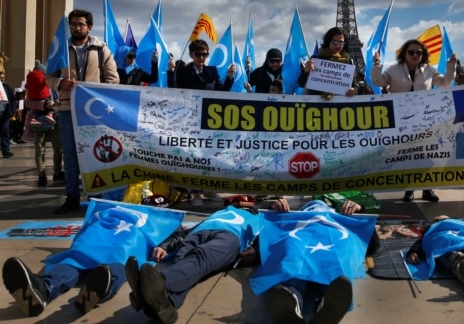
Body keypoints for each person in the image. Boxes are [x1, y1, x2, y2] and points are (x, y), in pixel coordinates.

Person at [2, 199, 183, 317]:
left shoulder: (168, 221)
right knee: (77, 259)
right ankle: (43, 289)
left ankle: (98, 289)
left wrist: (163, 246)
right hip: (102, 233)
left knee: (115, 264)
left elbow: (178, 234)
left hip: (128, 243)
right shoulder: (122, 203)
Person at [124, 196, 289, 324]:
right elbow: (182, 233)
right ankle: (165, 306)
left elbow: (274, 234)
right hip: (196, 235)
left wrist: (258, 252)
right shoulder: (217, 214)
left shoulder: (259, 216)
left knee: (202, 257)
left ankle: (153, 288)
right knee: (184, 264)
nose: (239, 203)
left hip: (230, 237)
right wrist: (164, 246)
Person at [252, 199, 379, 324]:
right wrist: (272, 207)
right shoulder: (291, 218)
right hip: (299, 241)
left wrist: (360, 212)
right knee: (291, 249)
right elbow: (264, 240)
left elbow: (372, 247)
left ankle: (326, 301)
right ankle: (291, 299)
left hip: (333, 245)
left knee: (338, 255)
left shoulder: (343, 219)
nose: (317, 207)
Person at [45, 9, 119, 214]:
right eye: (73, 24)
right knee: (69, 155)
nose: (77, 28)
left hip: (94, 113)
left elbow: (113, 79)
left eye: (81, 24)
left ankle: (96, 196)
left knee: (95, 153)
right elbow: (47, 77)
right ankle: (72, 197)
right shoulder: (61, 49)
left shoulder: (100, 49)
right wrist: (60, 83)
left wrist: (95, 94)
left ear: (89, 27)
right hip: (68, 108)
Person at [370, 39, 457, 203]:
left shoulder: (429, 70)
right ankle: (409, 189)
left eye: (419, 52)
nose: (415, 55)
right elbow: (377, 82)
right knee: (407, 155)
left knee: (427, 154)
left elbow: (445, 83)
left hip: (425, 119)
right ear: (404, 53)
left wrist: (451, 65)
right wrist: (377, 65)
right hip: (402, 120)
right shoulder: (393, 70)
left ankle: (427, 188)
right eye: (411, 52)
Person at [166, 39, 235, 207]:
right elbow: (174, 90)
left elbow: (222, 91)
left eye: (205, 54)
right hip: (190, 120)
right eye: (198, 54)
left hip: (209, 120)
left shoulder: (212, 71)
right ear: (191, 55)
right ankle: (196, 193)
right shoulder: (182, 71)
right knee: (193, 155)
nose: (202, 57)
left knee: (209, 155)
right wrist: (171, 72)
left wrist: (230, 78)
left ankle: (209, 188)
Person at [25, 65, 64, 187]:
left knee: (58, 148)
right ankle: (41, 174)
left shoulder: (57, 86)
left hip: (55, 120)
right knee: (40, 149)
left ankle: (57, 172)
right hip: (40, 121)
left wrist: (56, 103)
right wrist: (44, 104)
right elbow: (28, 102)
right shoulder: (37, 86)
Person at [298, 27, 357, 99]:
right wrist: (306, 71)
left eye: (341, 42)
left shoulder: (348, 62)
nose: (338, 45)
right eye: (335, 42)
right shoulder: (316, 59)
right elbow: (301, 83)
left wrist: (354, 90)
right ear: (328, 41)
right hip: (317, 104)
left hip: (340, 105)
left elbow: (354, 85)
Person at [25, 60, 56, 127]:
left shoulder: (56, 84)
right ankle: (48, 115)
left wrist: (54, 103)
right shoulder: (44, 82)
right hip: (40, 124)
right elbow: (27, 103)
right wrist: (44, 104)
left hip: (55, 122)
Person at [0, 70, 17, 158]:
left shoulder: (7, 87)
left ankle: (5, 151)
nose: (2, 80)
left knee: (5, 132)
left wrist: (12, 111)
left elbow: (13, 99)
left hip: (5, 114)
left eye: (3, 78)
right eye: (0, 78)